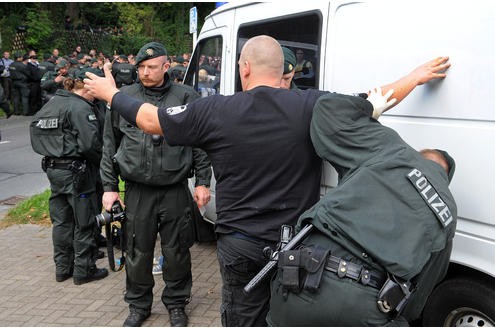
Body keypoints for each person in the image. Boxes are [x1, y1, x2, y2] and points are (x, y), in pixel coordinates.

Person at [84, 35, 450, 327]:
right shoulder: (312, 106)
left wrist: (111, 94)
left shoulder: (215, 110)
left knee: (244, 319)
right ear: (283, 71)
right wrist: (415, 77)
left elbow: (151, 119)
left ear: (244, 68)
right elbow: (375, 102)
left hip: (241, 245)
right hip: (297, 247)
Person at [266, 89, 457, 326]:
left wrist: (370, 105)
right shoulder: (448, 211)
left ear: (418, 155)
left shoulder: (393, 151)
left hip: (297, 281)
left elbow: (328, 109)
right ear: (445, 178)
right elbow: (421, 293)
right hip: (363, 305)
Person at [99, 42, 212, 327]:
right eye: (141, 67)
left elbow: (199, 144)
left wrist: (202, 182)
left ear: (166, 66)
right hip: (138, 191)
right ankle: (138, 305)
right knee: (137, 250)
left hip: (174, 189)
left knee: (176, 251)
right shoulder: (125, 98)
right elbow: (110, 144)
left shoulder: (186, 97)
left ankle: (176, 304)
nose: (145, 72)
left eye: (152, 67)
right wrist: (110, 188)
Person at [29, 72, 108, 286]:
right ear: (87, 88)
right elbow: (90, 145)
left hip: (54, 170)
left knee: (62, 222)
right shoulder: (80, 107)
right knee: (85, 221)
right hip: (78, 172)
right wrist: (106, 165)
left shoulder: (52, 104)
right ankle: (84, 270)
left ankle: (63, 269)